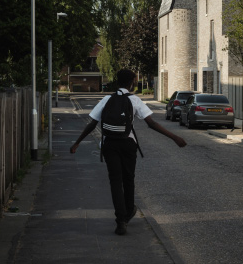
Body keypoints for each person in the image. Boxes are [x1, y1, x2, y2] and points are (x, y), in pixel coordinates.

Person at [70, 68, 186, 235]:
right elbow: (151, 124)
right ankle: (129, 210)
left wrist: (77, 143)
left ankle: (121, 220)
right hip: (128, 144)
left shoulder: (106, 99)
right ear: (131, 82)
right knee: (128, 179)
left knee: (115, 182)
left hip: (109, 144)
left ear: (117, 81)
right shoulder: (134, 100)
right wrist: (174, 137)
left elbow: (92, 123)